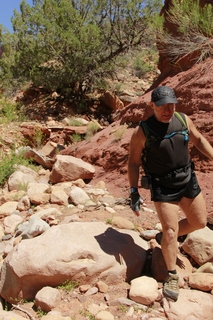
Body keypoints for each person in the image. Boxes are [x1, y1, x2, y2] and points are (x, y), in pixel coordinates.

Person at [128, 85, 213, 301]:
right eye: (162, 106)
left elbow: (199, 140)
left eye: (171, 105)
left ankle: (163, 239)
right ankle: (172, 274)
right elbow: (133, 162)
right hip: (163, 186)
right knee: (171, 232)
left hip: (187, 180)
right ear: (152, 106)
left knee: (200, 222)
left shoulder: (183, 120)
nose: (167, 110)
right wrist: (134, 191)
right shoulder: (143, 131)